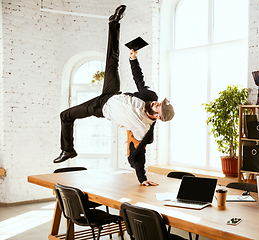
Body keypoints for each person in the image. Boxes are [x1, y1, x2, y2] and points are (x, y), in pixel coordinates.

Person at [53, 5, 174, 186]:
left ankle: (67, 150)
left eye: (158, 106)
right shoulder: (150, 96)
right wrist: (133, 58)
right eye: (159, 102)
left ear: (157, 116)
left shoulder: (144, 129)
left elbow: (140, 154)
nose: (156, 102)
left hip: (101, 107)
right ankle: (114, 21)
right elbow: (139, 79)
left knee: (65, 115)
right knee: (112, 61)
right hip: (112, 93)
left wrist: (143, 178)